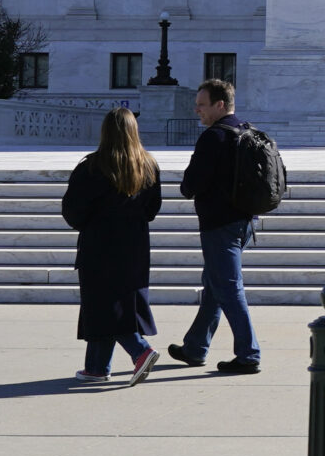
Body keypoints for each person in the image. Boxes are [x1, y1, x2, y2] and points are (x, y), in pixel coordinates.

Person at [61, 108, 162, 388]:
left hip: (100, 246)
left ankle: (140, 350)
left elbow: (73, 213)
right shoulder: (148, 166)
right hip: (135, 246)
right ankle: (96, 367)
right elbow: (152, 209)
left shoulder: (92, 167)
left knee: (102, 306)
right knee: (107, 306)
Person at [168, 78, 262, 374]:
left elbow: (190, 185)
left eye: (202, 105)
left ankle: (249, 354)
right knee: (214, 286)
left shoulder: (214, 137)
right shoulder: (247, 131)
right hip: (244, 222)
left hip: (219, 225)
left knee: (229, 288)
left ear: (220, 105)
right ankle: (196, 346)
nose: (197, 110)